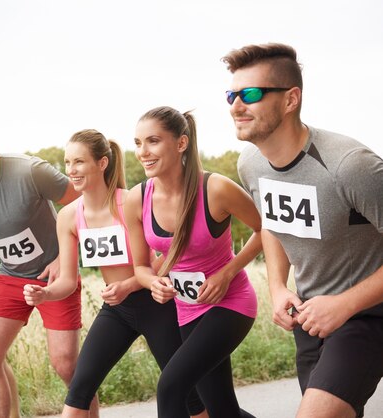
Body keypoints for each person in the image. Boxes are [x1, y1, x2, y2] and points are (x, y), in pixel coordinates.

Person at [223, 43, 383, 418]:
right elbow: (273, 224)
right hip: (312, 316)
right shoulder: (251, 164)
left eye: (250, 94)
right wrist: (278, 287)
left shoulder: (350, 165)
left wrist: (344, 304)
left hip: (368, 315)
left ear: (291, 99)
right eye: (231, 95)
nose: (235, 105)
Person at [23, 129, 207, 418]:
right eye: (67, 162)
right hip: (117, 310)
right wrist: (45, 293)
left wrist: (130, 285)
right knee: (79, 390)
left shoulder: (130, 202)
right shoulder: (70, 216)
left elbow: (163, 258)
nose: (71, 170)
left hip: (155, 303)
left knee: (191, 397)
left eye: (79, 162)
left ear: (102, 164)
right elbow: (69, 281)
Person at [0, 104, 95, 418]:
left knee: (66, 365)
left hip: (55, 277)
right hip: (11, 280)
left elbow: (85, 202)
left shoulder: (29, 171)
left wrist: (68, 257)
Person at [124, 106, 261, 417]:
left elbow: (266, 228)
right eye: (137, 143)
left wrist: (227, 273)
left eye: (153, 141)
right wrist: (154, 283)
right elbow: (142, 268)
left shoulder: (215, 188)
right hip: (188, 310)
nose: (142, 152)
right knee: (221, 408)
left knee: (171, 387)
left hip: (231, 303)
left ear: (181, 143)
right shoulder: (138, 197)